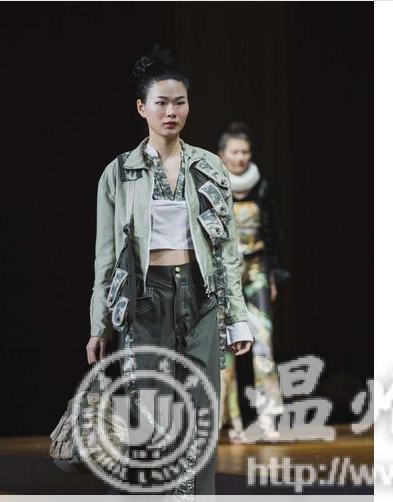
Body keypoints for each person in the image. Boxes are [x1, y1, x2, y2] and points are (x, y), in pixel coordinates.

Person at [85, 45, 254, 496]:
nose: (171, 111)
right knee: (152, 412)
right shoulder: (119, 173)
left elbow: (226, 249)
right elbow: (106, 258)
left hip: (200, 295)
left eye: (179, 102)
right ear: (142, 108)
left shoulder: (209, 167)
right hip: (145, 299)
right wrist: (99, 324)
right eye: (161, 102)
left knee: (202, 411)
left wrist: (237, 316)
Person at [217, 122, 291, 443]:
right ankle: (231, 421)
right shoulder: (213, 185)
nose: (240, 157)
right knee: (225, 348)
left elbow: (273, 234)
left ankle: (268, 416)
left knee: (263, 341)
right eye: (235, 152)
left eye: (245, 151)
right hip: (225, 274)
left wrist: (273, 275)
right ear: (222, 154)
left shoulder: (261, 187)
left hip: (257, 269)